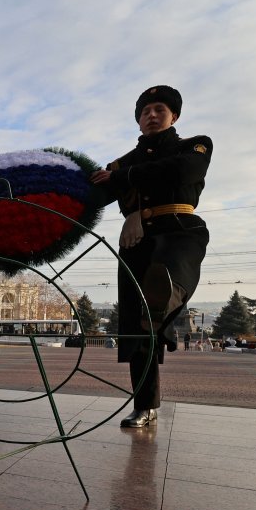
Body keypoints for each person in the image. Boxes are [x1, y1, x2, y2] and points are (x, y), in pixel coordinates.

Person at [89, 85, 212, 428]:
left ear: (175, 116)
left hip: (179, 227)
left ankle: (164, 300)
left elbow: (183, 171)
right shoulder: (122, 161)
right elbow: (91, 195)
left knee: (173, 271)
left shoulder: (195, 145)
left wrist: (123, 178)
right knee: (137, 331)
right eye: (145, 111)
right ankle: (145, 406)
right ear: (138, 120)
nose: (152, 115)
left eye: (160, 109)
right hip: (135, 241)